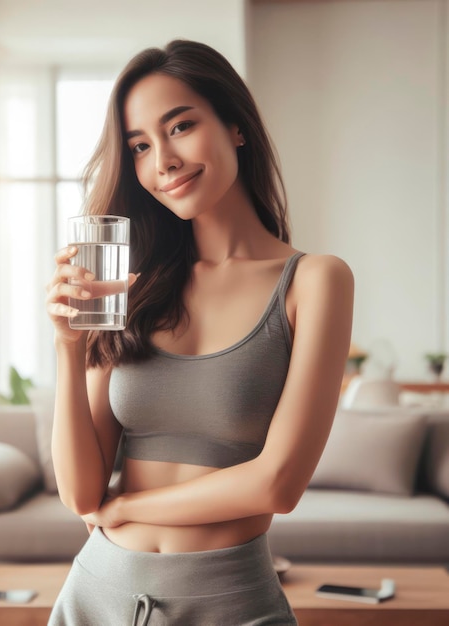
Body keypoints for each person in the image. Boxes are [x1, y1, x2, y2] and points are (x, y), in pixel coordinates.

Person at [45, 39, 353, 626]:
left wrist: (132, 505)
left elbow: (277, 484)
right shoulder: (132, 284)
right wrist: (68, 345)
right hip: (96, 593)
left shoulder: (314, 281)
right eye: (139, 145)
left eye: (180, 126)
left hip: (231, 605)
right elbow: (83, 496)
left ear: (236, 126)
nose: (162, 159)